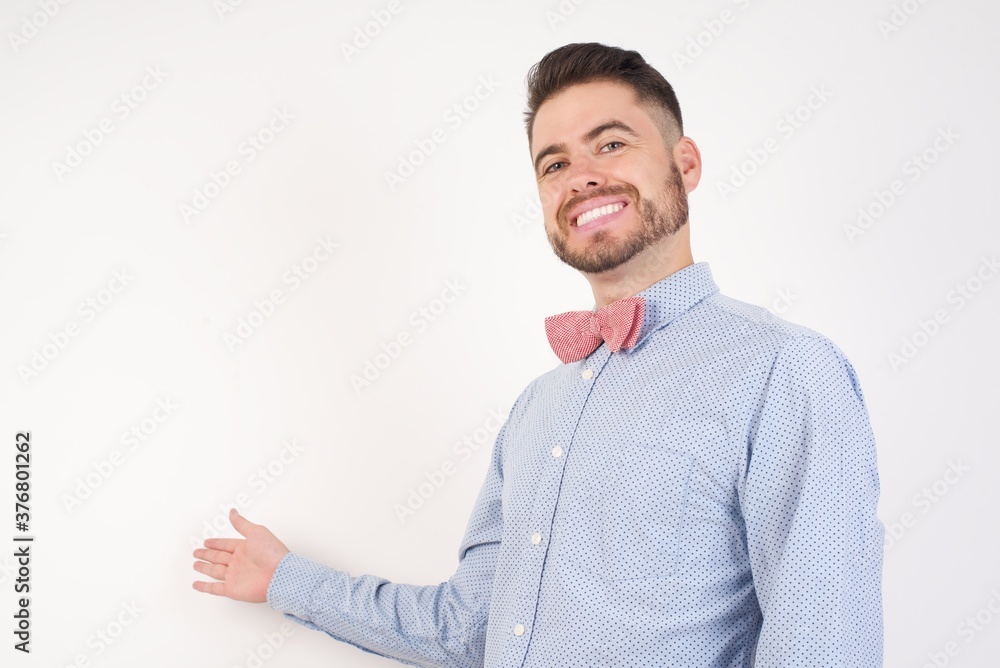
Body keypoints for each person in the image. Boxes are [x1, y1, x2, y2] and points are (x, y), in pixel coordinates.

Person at [192, 42, 884, 667]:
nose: (581, 177)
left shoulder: (784, 371)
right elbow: (468, 629)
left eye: (610, 144)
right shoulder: (537, 411)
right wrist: (288, 580)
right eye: (555, 163)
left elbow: (823, 646)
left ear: (686, 164)